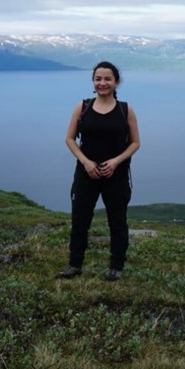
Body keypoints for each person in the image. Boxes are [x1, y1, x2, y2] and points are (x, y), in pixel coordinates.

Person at [56, 61, 141, 282]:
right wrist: (85, 162)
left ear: (116, 82)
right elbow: (69, 138)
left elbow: (135, 143)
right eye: (98, 79)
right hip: (86, 173)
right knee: (80, 220)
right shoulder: (83, 106)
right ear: (93, 82)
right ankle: (74, 265)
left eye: (107, 79)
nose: (102, 83)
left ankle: (116, 267)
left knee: (118, 222)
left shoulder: (125, 109)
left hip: (117, 175)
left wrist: (115, 161)